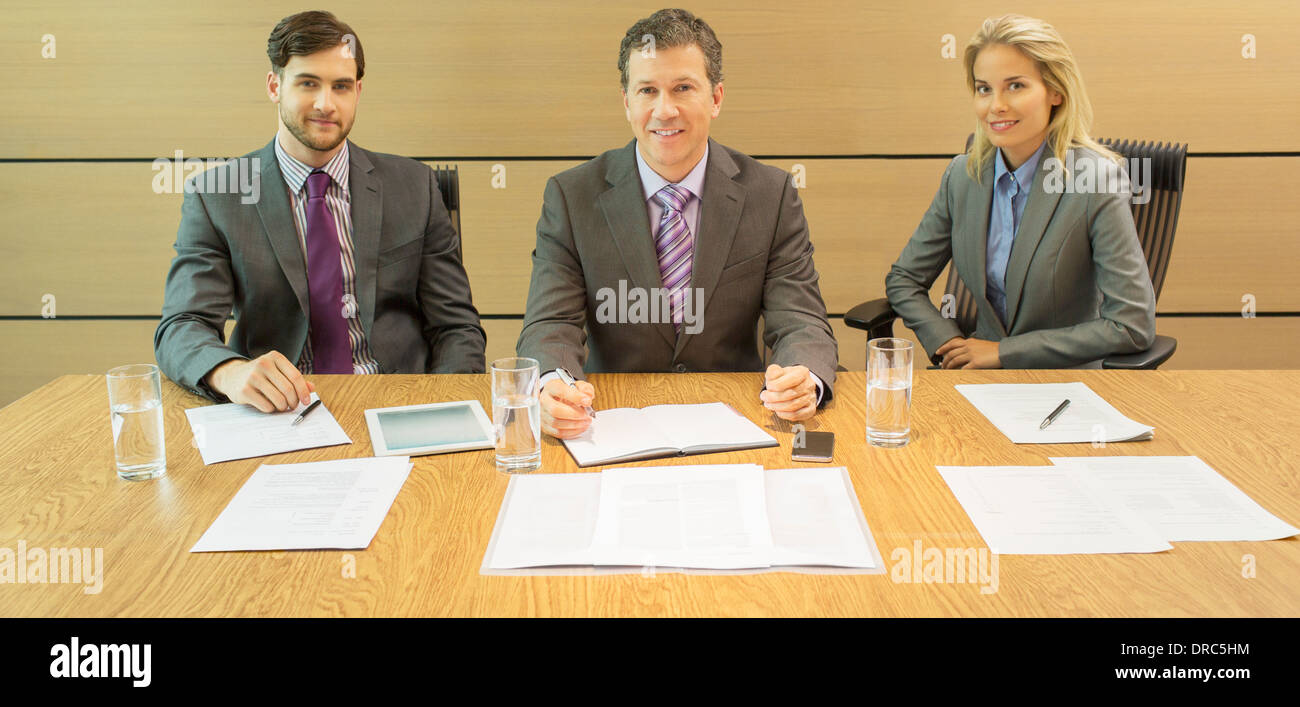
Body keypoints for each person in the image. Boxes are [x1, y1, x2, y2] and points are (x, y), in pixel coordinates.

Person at [516, 8, 838, 439]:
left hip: (739, 419)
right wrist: (551, 384)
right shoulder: (572, 197)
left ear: (716, 98)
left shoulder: (770, 194)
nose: (664, 110)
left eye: (683, 87)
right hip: (609, 422)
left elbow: (801, 320)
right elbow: (549, 323)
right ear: (627, 102)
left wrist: (803, 376)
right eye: (647, 90)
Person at [155, 11, 485, 412]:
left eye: (341, 86)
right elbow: (181, 327)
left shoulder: (415, 186)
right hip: (278, 411)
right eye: (308, 83)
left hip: (398, 404)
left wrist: (443, 407)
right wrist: (231, 372)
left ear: (358, 92)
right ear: (274, 86)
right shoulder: (217, 196)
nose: (326, 104)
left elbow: (456, 327)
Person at [885, 14, 1156, 369]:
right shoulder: (962, 177)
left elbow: (1132, 326)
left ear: (1056, 91)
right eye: (984, 88)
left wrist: (1004, 352)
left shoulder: (1097, 181)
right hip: (976, 378)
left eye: (1016, 86)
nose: (996, 105)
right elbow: (904, 279)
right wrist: (945, 338)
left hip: (1065, 384)